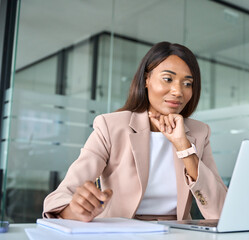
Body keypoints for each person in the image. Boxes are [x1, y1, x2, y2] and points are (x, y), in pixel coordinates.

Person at [43, 41, 227, 222]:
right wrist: (74, 210)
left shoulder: (200, 132)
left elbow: (221, 210)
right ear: (146, 79)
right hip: (122, 231)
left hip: (177, 233)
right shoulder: (111, 126)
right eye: (168, 79)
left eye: (187, 83)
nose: (178, 91)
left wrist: (184, 147)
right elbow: (61, 196)